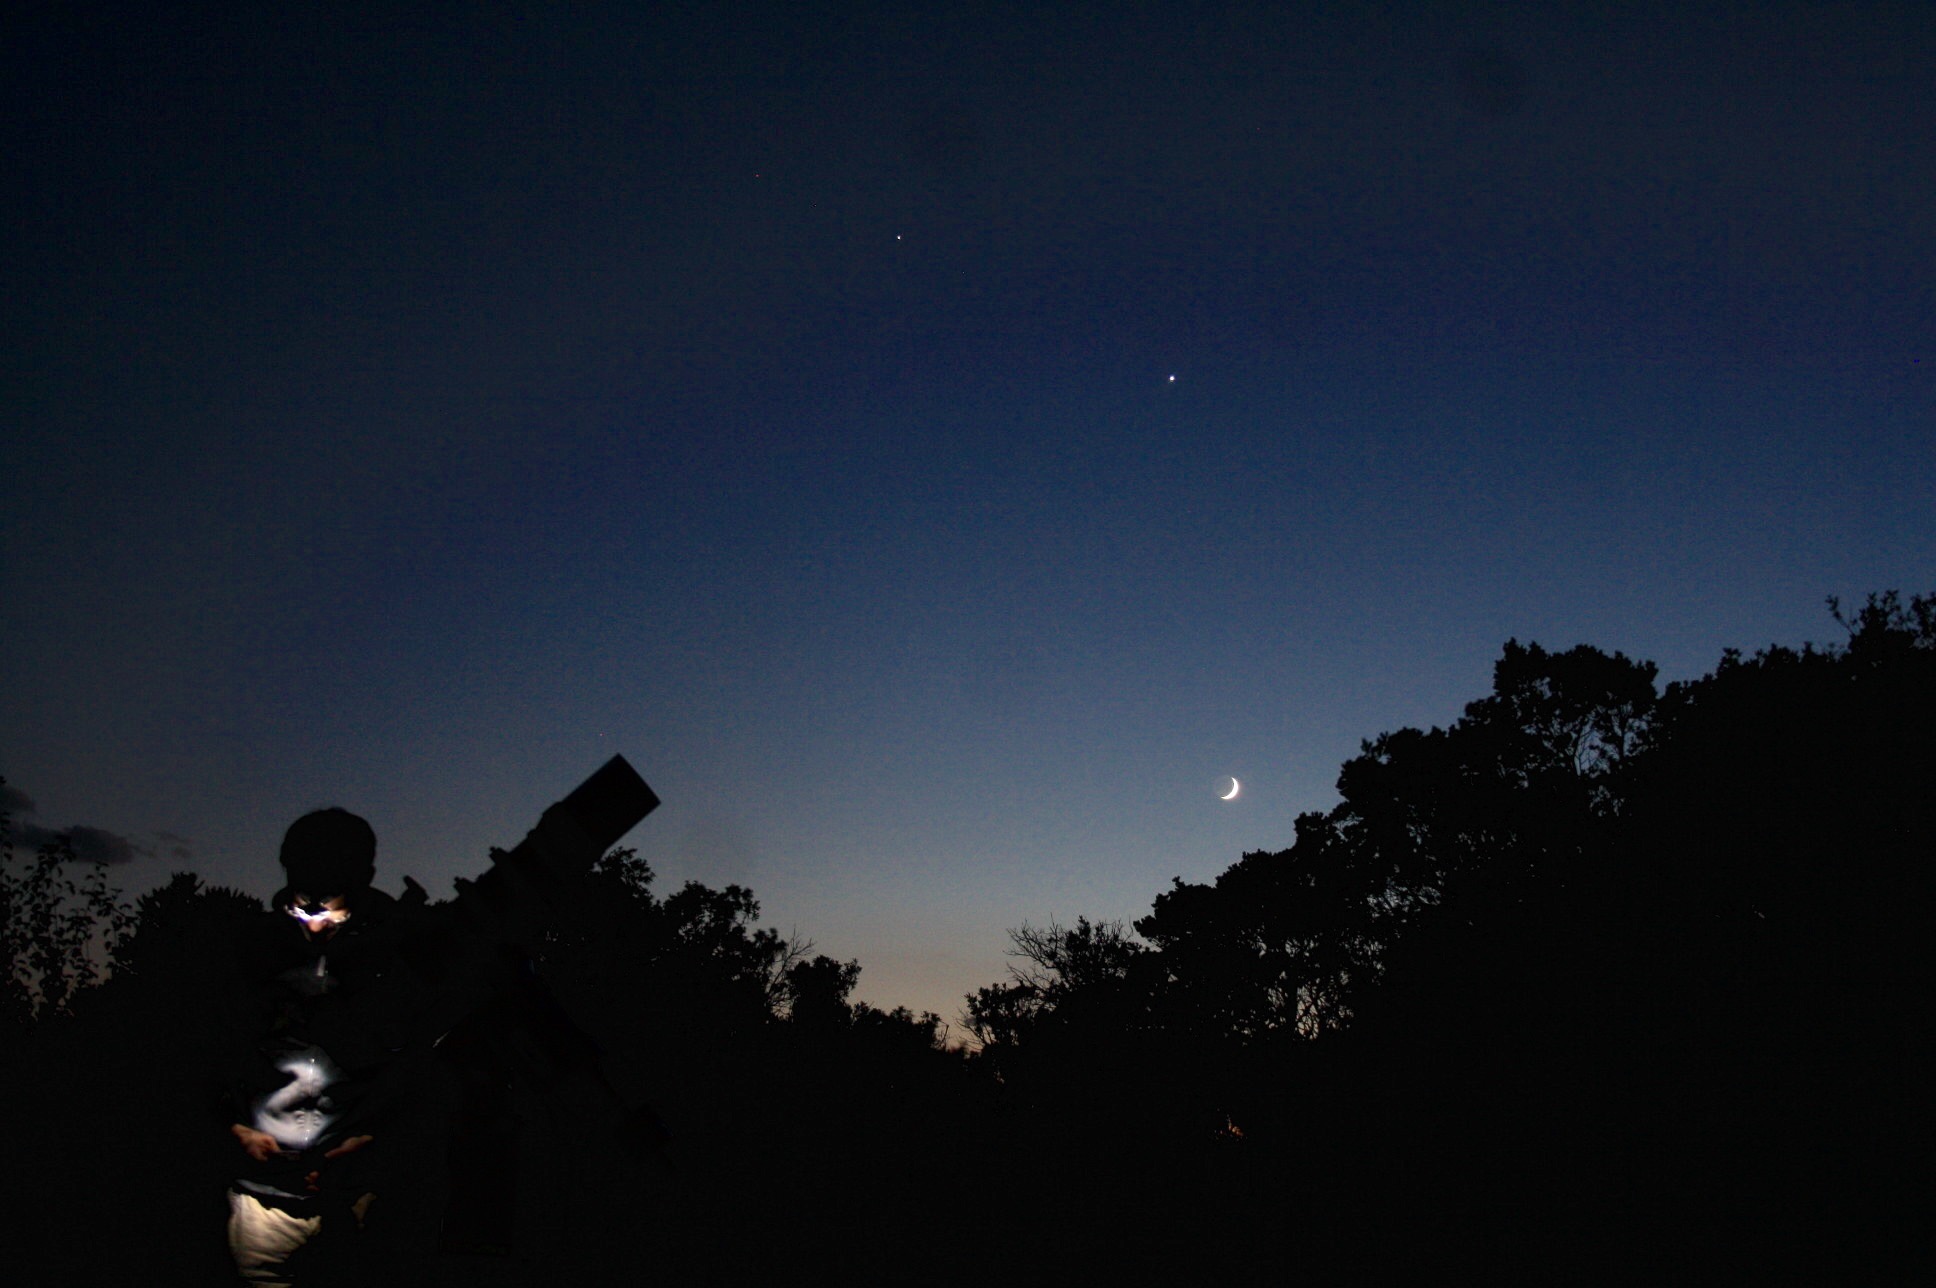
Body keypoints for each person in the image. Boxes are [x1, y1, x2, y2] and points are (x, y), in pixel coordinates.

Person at [226, 807, 419, 1286]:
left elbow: (425, 1072)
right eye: (301, 907)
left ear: (364, 879)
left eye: (330, 910)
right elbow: (208, 1061)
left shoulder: (402, 958)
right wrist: (238, 1132)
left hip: (360, 1200)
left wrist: (374, 1142)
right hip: (263, 1208)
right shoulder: (253, 953)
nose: (313, 925)